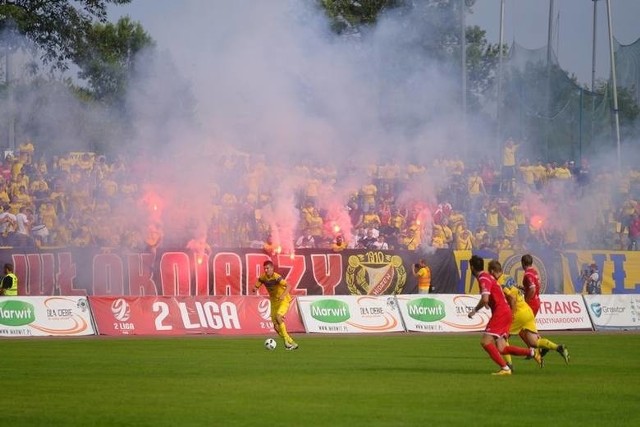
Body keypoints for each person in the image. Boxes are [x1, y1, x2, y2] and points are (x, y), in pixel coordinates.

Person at [467, 255, 541, 375]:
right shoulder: (488, 277)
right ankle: (532, 353)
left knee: (485, 342)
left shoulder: (483, 278)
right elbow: (491, 297)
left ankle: (505, 368)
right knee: (501, 348)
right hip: (505, 311)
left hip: (500, 313)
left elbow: (485, 299)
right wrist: (483, 305)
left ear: (472, 267)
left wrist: (476, 309)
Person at [488, 260, 569, 366]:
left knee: (502, 337)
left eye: (490, 273)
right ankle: (558, 347)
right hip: (527, 311)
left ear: (493, 271)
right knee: (534, 342)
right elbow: (516, 290)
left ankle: (509, 364)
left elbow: (512, 298)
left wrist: (511, 315)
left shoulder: (499, 284)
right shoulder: (508, 277)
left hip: (518, 313)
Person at [253, 260, 298, 350]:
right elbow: (256, 285)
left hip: (283, 300)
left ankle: (286, 341)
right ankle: (292, 342)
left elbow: (289, 286)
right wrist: (254, 289)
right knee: (276, 327)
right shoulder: (263, 277)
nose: (266, 270)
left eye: (267, 268)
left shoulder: (277, 277)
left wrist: (283, 295)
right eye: (265, 268)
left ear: (272, 268)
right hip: (273, 302)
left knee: (278, 317)